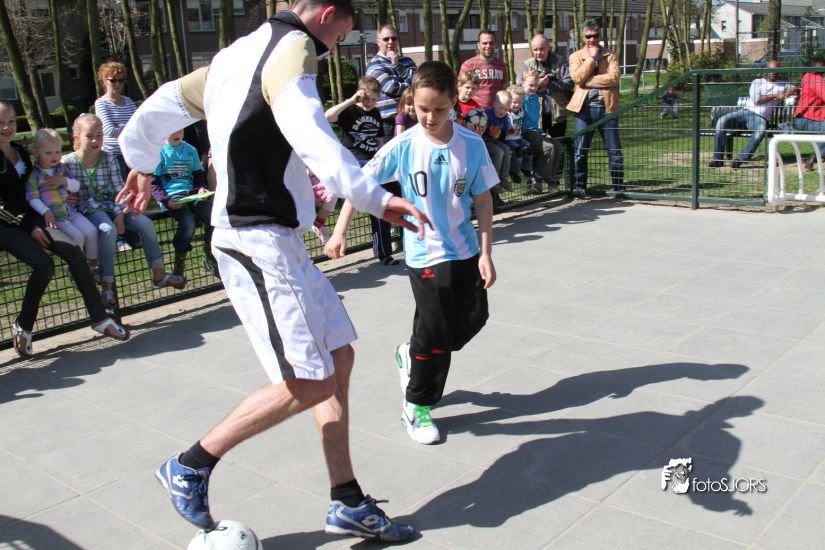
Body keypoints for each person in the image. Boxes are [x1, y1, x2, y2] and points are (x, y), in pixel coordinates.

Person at [116, 0, 429, 542]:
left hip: (277, 234)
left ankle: (346, 499)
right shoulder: (294, 48)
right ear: (327, 14)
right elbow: (309, 130)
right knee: (310, 380)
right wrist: (373, 197)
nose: (336, 46)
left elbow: (163, 104)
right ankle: (190, 464)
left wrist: (140, 160)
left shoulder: (235, 54)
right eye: (343, 33)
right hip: (254, 236)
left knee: (337, 355)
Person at [362, 61, 497, 445]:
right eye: (422, 108)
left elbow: (483, 200)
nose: (430, 117)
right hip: (423, 253)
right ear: (412, 103)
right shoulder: (404, 145)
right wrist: (338, 230)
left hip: (464, 249)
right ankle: (417, 404)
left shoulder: (471, 144)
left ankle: (412, 352)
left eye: (439, 109)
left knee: (473, 318)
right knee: (436, 334)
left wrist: (486, 253)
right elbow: (358, 183)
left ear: (453, 102)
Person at [0, 100, 128, 359]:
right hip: (7, 224)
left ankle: (99, 317)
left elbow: (35, 187)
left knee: (73, 250)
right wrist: (28, 224)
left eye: (11, 121)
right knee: (44, 266)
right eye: (1, 123)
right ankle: (24, 326)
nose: (7, 127)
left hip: (37, 217)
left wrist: (61, 195)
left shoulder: (20, 152)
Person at [63, 113, 186, 308]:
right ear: (77, 137)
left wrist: (120, 214)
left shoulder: (109, 158)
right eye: (90, 136)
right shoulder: (67, 163)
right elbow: (61, 190)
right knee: (107, 229)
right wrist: (66, 197)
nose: (95, 140)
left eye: (99, 135)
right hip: (90, 208)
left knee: (145, 223)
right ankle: (107, 286)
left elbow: (119, 189)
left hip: (114, 204)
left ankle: (159, 273)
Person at [325, 75, 400, 265]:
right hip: (355, 162)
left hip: (372, 162)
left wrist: (382, 158)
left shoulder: (375, 113)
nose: (370, 103)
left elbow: (379, 139)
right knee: (362, 201)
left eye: (374, 99)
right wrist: (351, 100)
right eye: (367, 98)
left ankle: (384, 251)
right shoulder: (350, 111)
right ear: (360, 94)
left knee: (382, 205)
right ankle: (339, 235)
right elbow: (328, 116)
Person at [25, 128, 98, 274]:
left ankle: (92, 265)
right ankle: (77, 271)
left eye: (57, 152)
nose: (54, 156)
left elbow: (76, 186)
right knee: (77, 236)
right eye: (48, 152)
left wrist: (64, 181)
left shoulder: (62, 169)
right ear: (36, 151)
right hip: (56, 217)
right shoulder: (35, 175)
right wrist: (45, 211)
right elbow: (32, 198)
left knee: (91, 231)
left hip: (72, 212)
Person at [567, 20, 624, 197]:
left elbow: (614, 78)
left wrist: (588, 81)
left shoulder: (610, 55)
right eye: (588, 36)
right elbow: (577, 78)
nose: (592, 39)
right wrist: (591, 59)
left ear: (600, 36)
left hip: (608, 109)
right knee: (580, 151)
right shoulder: (576, 56)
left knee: (614, 151)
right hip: (583, 110)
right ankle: (579, 186)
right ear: (583, 37)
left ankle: (618, 187)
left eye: (595, 36)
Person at [150, 129, 216, 277]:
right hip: (171, 197)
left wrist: (200, 189)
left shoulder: (190, 150)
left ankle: (209, 255)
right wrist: (166, 200)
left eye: (179, 130)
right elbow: (153, 183)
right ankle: (179, 266)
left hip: (191, 195)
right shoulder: (159, 152)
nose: (177, 134)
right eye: (172, 131)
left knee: (213, 217)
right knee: (188, 223)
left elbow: (198, 174)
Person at [707, 60, 796, 169]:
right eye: (770, 69)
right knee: (721, 121)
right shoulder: (757, 82)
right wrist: (775, 95)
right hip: (745, 113)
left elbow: (794, 87)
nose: (773, 72)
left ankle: (740, 159)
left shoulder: (781, 85)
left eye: (775, 70)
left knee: (761, 131)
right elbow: (756, 100)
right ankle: (718, 159)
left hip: (760, 118)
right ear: (766, 70)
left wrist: (790, 91)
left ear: (779, 71)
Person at [94, 61, 140, 252]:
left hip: (130, 154)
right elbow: (109, 130)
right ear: (104, 81)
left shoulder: (128, 102)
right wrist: (129, 126)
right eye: (113, 80)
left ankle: (134, 234)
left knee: (134, 194)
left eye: (121, 80)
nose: (117, 84)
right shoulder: (101, 103)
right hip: (112, 155)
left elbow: (139, 124)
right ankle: (120, 238)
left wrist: (126, 127)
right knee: (119, 196)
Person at [366, 24, 417, 139]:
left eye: (394, 38)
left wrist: (397, 66)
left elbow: (418, 83)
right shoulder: (374, 64)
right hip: (388, 123)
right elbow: (392, 88)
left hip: (412, 119)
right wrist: (409, 85)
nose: (390, 42)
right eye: (386, 39)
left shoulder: (407, 61)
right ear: (378, 41)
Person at [521, 34, 573, 138]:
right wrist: (538, 84)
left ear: (548, 47)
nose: (538, 52)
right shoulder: (527, 65)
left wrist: (550, 84)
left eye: (542, 49)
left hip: (558, 115)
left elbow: (569, 83)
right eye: (535, 50)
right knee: (539, 146)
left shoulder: (561, 61)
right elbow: (520, 88)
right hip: (534, 116)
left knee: (559, 143)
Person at [522, 69, 563, 193]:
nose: (533, 88)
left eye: (536, 85)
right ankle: (544, 179)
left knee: (559, 147)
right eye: (530, 85)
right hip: (525, 132)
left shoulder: (536, 97)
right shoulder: (520, 97)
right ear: (523, 83)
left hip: (535, 130)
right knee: (548, 147)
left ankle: (546, 178)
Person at [459, 30, 509, 110]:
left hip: (496, 112)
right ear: (478, 45)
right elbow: (460, 89)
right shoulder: (468, 65)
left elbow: (505, 88)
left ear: (495, 44)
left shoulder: (501, 65)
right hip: (474, 111)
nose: (488, 46)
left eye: (491, 43)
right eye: (485, 43)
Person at [793, 55, 825, 172]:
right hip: (807, 120)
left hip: (803, 119)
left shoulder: (807, 76)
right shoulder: (817, 80)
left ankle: (814, 158)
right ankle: (812, 159)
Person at [484, 89, 513, 192]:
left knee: (507, 150)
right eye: (501, 108)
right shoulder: (487, 113)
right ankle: (494, 182)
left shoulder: (505, 118)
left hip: (494, 140)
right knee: (499, 152)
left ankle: (503, 178)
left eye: (506, 109)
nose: (503, 111)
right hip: (484, 140)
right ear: (494, 104)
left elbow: (503, 134)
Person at [504, 85, 533, 185]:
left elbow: (520, 123)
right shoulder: (507, 113)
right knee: (517, 149)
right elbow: (503, 127)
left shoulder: (521, 112)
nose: (517, 105)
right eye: (514, 102)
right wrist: (510, 130)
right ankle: (514, 172)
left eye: (520, 102)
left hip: (518, 137)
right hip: (508, 138)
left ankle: (526, 168)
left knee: (529, 147)